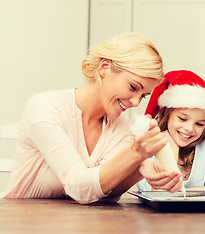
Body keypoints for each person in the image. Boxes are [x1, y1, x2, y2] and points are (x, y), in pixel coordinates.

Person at [4, 32, 167, 204]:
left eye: (143, 96)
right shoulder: (45, 108)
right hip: (23, 222)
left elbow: (103, 194)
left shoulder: (123, 129)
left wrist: (138, 169)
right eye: (133, 87)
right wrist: (135, 154)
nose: (135, 102)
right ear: (104, 67)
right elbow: (79, 187)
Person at [136, 70, 205, 192]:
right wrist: (171, 153)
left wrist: (183, 193)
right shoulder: (147, 150)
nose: (190, 129)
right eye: (182, 118)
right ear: (167, 114)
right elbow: (158, 193)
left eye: (199, 124)